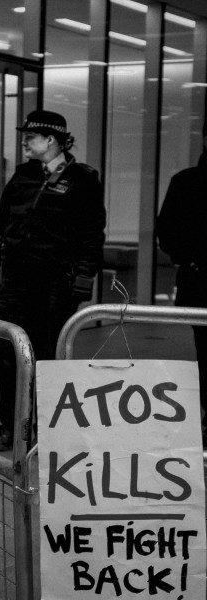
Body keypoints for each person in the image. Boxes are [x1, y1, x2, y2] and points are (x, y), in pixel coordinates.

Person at [0, 110, 106, 451]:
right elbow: (0, 223)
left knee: (48, 359)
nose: (24, 141)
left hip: (55, 285)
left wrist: (83, 278)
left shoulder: (82, 179)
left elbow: (93, 234)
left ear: (51, 140)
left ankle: (49, 430)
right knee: (7, 354)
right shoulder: (22, 176)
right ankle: (12, 427)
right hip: (16, 283)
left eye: (30, 137)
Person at [157, 124, 207, 444]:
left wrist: (187, 256)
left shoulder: (186, 181)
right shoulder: (185, 181)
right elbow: (168, 231)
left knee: (205, 352)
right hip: (197, 276)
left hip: (197, 276)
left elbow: (167, 232)